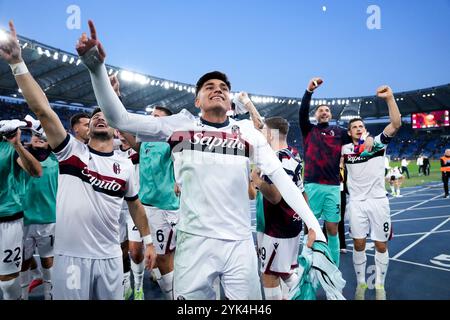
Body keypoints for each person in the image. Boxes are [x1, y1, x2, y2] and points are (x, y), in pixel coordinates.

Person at [75, 20, 342, 300]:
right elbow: (120, 119)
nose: (218, 89)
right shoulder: (179, 126)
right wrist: (96, 70)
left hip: (239, 244)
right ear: (197, 101)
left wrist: (314, 225)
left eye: (224, 87)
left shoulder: (247, 132)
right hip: (193, 243)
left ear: (229, 102)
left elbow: (280, 179)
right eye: (209, 86)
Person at [0, 21, 157, 299]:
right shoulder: (71, 151)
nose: (99, 116)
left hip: (109, 259)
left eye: (105, 115)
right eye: (94, 115)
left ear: (115, 126)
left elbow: (137, 208)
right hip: (71, 259)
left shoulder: (124, 166)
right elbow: (44, 110)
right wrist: (17, 64)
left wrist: (148, 241)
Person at [298, 77, 373, 266]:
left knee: (332, 228)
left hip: (332, 186)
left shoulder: (339, 132)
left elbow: (358, 141)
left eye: (327, 110)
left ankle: (333, 270)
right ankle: (308, 271)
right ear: (316, 115)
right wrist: (309, 91)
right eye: (320, 110)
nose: (324, 112)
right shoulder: (309, 130)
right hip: (312, 185)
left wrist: (367, 138)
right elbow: (302, 112)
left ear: (330, 115)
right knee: (310, 229)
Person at [342, 85, 401, 300]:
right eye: (354, 127)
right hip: (356, 202)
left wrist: (390, 98)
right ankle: (361, 285)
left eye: (361, 126)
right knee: (358, 243)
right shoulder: (345, 150)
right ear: (349, 133)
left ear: (365, 129)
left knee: (380, 244)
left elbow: (396, 124)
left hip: (378, 201)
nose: (358, 128)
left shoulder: (376, 144)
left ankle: (379, 285)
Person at [120, 105, 180, 301]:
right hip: (142, 207)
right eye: (151, 116)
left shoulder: (172, 142)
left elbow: (185, 160)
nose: (152, 120)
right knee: (137, 251)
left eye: (157, 117)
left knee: (164, 259)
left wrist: (180, 180)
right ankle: (139, 288)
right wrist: (115, 97)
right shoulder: (144, 143)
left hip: (165, 209)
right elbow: (121, 124)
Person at [251, 117, 308, 300]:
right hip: (291, 223)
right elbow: (302, 191)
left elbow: (275, 196)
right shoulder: (293, 153)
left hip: (278, 227)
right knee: (284, 271)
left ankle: (308, 293)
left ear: (270, 134)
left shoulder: (278, 157)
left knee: (269, 274)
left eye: (263, 131)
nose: (261, 135)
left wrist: (257, 180)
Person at [0, 127, 42, 300]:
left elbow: (36, 172)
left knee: (8, 282)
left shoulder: (8, 147)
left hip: (8, 219)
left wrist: (17, 145)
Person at [16, 131, 58, 300]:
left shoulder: (57, 158)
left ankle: (49, 294)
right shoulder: (18, 157)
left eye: (43, 134)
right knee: (23, 261)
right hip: (22, 218)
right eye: (35, 134)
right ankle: (23, 295)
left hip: (48, 218)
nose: (39, 137)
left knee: (47, 259)